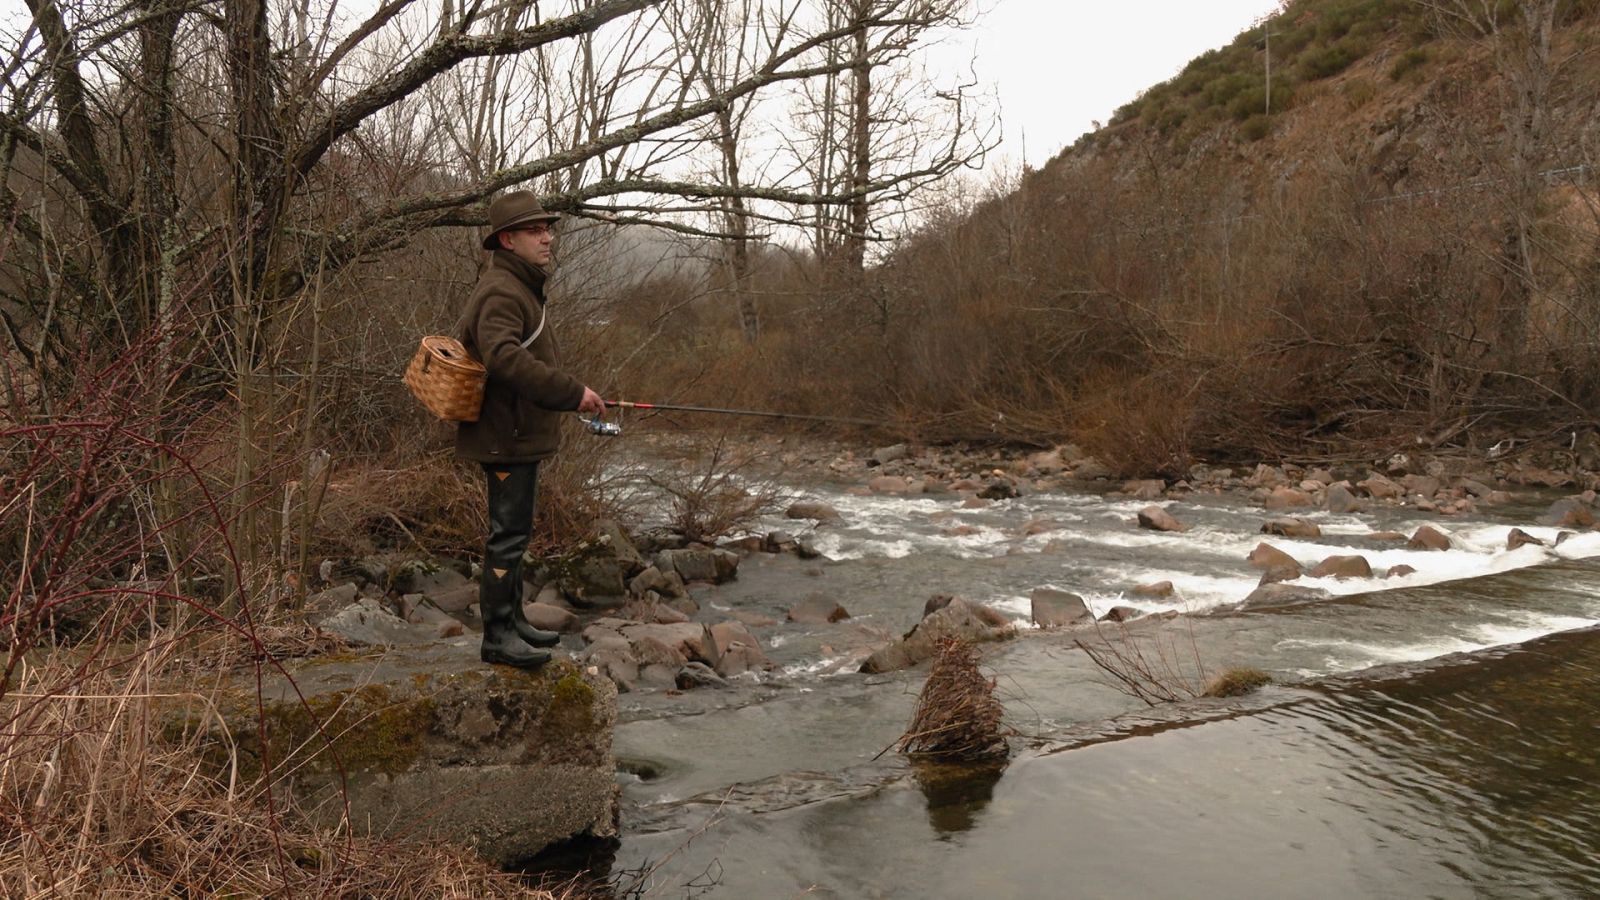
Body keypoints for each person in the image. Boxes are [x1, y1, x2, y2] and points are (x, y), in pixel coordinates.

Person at [455, 190, 605, 669]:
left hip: (516, 436)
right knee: (507, 536)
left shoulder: (519, 285)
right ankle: (497, 637)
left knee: (514, 533)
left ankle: (514, 621)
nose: (547, 238)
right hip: (505, 437)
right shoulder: (501, 289)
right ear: (508, 239)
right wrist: (571, 392)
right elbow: (503, 358)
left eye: (548, 229)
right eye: (535, 231)